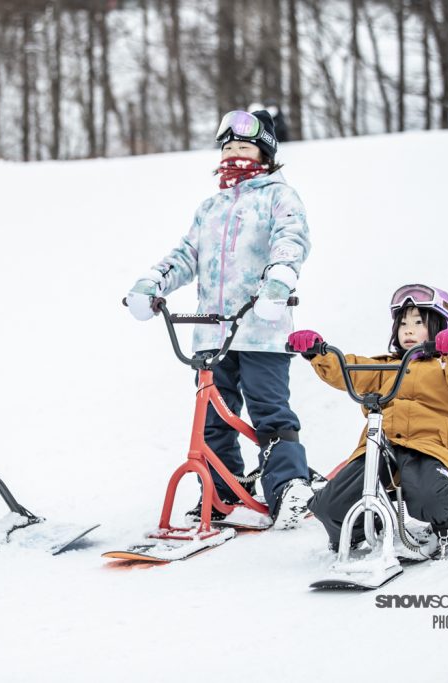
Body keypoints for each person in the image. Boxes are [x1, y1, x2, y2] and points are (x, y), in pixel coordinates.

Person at [125, 109, 313, 529]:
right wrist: (153, 282)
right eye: (227, 147)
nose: (233, 154)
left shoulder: (279, 197)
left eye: (244, 146)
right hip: (212, 332)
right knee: (213, 418)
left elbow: (291, 240)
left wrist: (278, 282)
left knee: (270, 413)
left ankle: (288, 488)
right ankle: (221, 491)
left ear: (265, 154)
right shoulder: (210, 207)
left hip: (262, 329)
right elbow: (186, 255)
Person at [289, 284, 448, 553]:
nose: (408, 330)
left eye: (418, 323)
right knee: (329, 505)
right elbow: (348, 369)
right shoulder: (386, 367)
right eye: (403, 323)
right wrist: (319, 353)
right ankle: (363, 529)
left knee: (428, 498)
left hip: (429, 446)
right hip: (380, 446)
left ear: (441, 326)